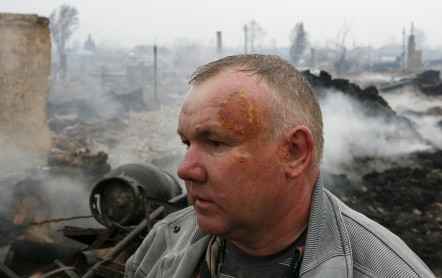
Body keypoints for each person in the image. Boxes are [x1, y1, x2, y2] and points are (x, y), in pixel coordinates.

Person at [125, 54, 435, 278]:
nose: (185, 169)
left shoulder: (383, 271)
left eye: (215, 143)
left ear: (295, 153)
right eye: (186, 143)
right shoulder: (164, 243)